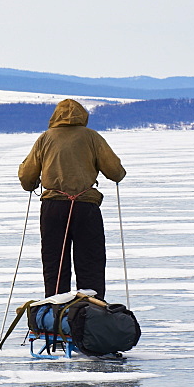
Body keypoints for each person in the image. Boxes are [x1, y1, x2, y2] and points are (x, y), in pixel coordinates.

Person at [18, 99, 126, 299]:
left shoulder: (45, 138)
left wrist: (32, 185)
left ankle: (56, 317)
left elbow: (26, 176)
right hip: (85, 207)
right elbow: (115, 171)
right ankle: (90, 314)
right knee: (90, 263)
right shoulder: (92, 137)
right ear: (83, 116)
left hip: (53, 208)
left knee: (55, 266)